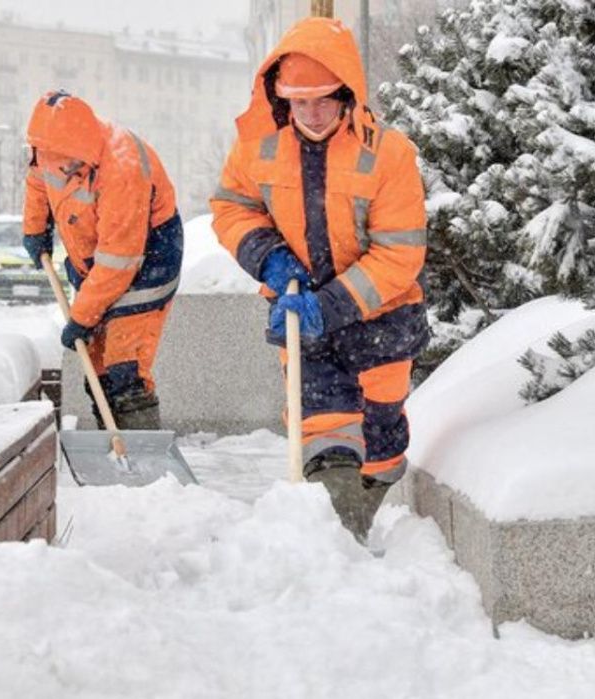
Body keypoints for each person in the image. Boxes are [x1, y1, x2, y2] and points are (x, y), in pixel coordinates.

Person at [210, 17, 429, 542]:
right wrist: (268, 257)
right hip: (299, 322)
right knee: (325, 436)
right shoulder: (257, 147)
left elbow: (399, 254)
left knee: (382, 448)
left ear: (347, 94)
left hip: (381, 319)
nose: (310, 113)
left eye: (323, 100)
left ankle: (357, 523)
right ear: (281, 96)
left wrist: (329, 303)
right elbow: (231, 208)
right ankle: (337, 547)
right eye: (298, 101)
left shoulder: (388, 154)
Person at [23, 90, 183, 430]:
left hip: (148, 259)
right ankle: (113, 443)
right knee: (95, 365)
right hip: (94, 258)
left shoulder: (122, 169)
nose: (65, 170)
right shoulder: (50, 149)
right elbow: (39, 182)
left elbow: (119, 260)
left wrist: (82, 316)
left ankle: (141, 454)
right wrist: (36, 228)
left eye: (73, 165)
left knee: (125, 366)